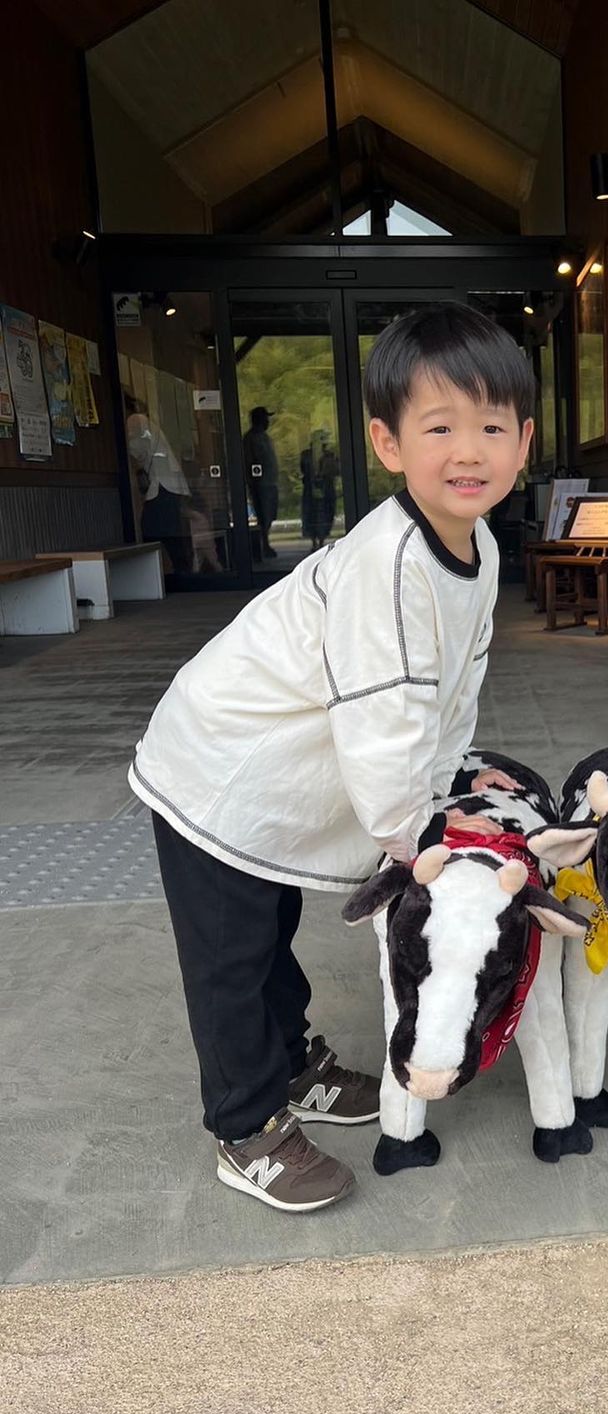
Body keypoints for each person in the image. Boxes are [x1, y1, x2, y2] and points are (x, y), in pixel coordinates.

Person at [129, 304, 535, 1213]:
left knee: (269, 933)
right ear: (388, 444)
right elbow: (387, 717)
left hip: (275, 774)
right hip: (218, 768)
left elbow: (451, 690)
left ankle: (291, 1062)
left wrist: (453, 779)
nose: (468, 451)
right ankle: (245, 1125)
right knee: (231, 957)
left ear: (523, 442)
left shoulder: (483, 548)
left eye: (492, 428)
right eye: (440, 428)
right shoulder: (386, 563)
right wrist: (413, 832)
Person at [125, 395, 194, 576]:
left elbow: (136, 449)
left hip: (163, 484)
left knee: (154, 529)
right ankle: (179, 571)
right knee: (169, 530)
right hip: (168, 483)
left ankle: (167, 574)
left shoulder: (136, 419)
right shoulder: (149, 423)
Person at [243, 405, 280, 558]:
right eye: (265, 418)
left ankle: (265, 544)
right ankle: (262, 546)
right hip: (260, 484)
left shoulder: (266, 437)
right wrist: (253, 481)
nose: (267, 421)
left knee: (270, 515)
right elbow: (249, 461)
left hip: (271, 482)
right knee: (263, 516)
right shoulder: (250, 438)